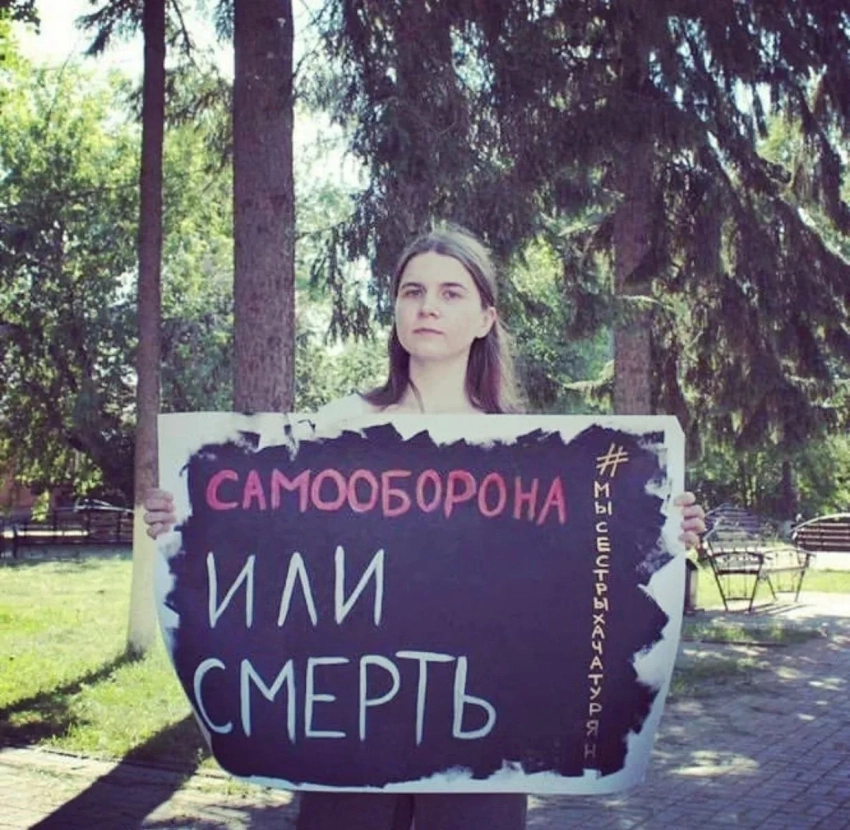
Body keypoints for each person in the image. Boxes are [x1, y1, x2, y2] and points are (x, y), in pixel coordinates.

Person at [144, 225, 706, 830]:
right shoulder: (337, 427)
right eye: (412, 291)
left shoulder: (532, 453)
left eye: (450, 292)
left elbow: (584, 566)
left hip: (484, 736)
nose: (427, 306)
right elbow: (267, 541)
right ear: (395, 310)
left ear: (486, 318)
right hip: (351, 725)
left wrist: (662, 529)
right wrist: (187, 519)